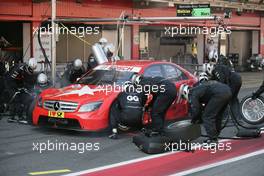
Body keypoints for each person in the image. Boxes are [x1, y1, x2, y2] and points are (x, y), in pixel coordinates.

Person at [1, 58, 37, 123]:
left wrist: (28, 88)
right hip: (9, 83)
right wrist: (17, 88)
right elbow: (10, 79)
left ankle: (12, 117)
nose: (31, 70)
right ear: (28, 66)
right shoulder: (19, 69)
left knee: (21, 98)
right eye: (30, 68)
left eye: (32, 69)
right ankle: (20, 117)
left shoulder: (27, 70)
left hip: (17, 83)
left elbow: (25, 80)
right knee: (16, 99)